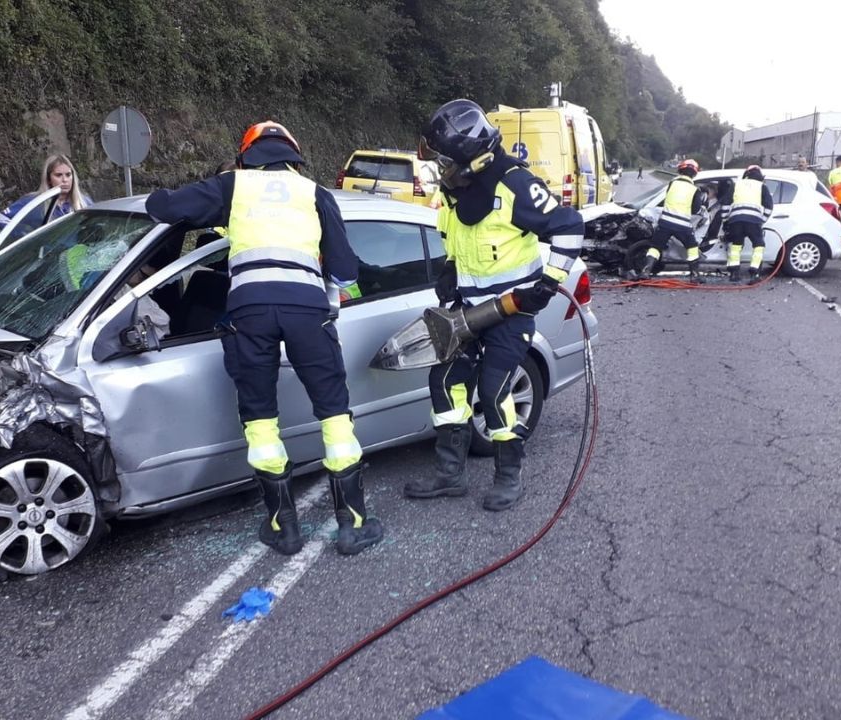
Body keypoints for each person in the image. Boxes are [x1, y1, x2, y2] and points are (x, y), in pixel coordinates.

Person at [143, 121, 383, 557]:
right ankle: (354, 525)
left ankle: (283, 528)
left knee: (260, 420)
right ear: (293, 154)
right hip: (308, 311)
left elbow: (163, 206)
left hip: (250, 311)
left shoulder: (233, 186)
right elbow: (347, 272)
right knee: (334, 415)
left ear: (246, 154)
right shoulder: (315, 194)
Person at [402, 99, 584, 512]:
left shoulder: (514, 184)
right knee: (445, 383)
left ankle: (508, 476)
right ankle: (450, 476)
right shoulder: (457, 191)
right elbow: (458, 239)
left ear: (469, 156)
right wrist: (450, 269)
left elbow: (570, 228)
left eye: (444, 158)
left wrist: (549, 284)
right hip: (468, 311)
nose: (440, 166)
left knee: (495, 388)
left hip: (512, 310)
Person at [635, 159, 707, 283]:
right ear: (694, 173)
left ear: (681, 170)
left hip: (665, 223)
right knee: (692, 248)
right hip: (682, 225)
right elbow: (695, 210)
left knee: (655, 247)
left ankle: (645, 271)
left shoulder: (672, 183)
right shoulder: (695, 190)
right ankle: (694, 275)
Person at [0, 154, 92, 229]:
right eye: (58, 175)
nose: (65, 180)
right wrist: (26, 237)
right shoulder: (35, 202)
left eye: (68, 175)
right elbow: (2, 218)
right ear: (48, 179)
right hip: (45, 253)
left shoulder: (84, 202)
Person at [718, 165, 775, 283]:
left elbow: (725, 204)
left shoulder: (736, 184)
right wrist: (762, 220)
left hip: (736, 220)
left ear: (746, 175)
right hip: (754, 221)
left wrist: (726, 221)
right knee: (758, 245)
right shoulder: (761, 186)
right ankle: (754, 273)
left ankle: (734, 273)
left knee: (736, 245)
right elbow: (769, 206)